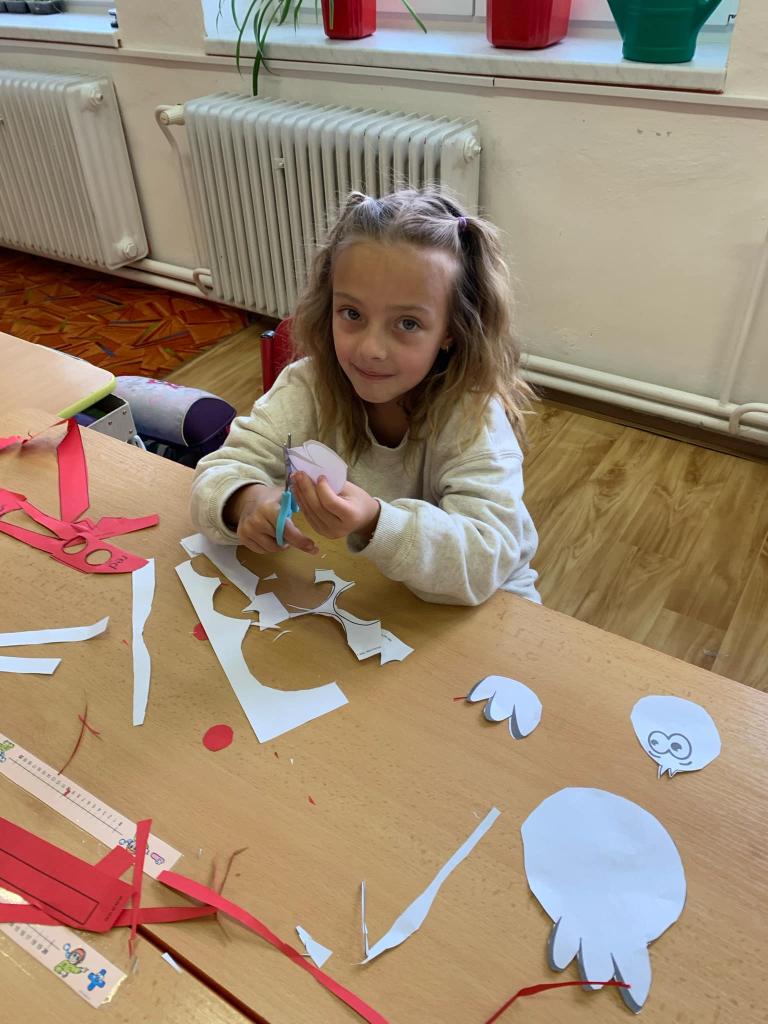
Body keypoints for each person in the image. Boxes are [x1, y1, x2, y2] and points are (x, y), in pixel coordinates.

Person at [190, 188, 540, 606]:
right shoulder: (309, 386)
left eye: (407, 323)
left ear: (450, 331)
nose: (371, 349)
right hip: (365, 593)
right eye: (352, 314)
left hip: (490, 608)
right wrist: (245, 500)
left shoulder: (474, 419)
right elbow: (218, 472)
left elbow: (484, 560)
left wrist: (376, 521)